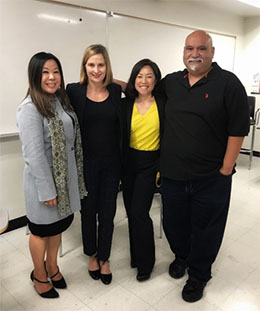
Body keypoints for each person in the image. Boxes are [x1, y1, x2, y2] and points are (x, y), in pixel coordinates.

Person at [159, 30, 249, 302]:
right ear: (183, 52)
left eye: (201, 49)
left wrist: (225, 169)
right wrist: (106, 80)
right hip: (173, 175)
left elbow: (238, 129)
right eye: (189, 48)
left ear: (211, 52)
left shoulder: (229, 84)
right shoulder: (172, 82)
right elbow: (141, 87)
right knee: (174, 224)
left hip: (211, 178)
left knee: (206, 228)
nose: (194, 54)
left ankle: (199, 274)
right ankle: (182, 257)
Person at [17, 52, 86, 298]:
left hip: (63, 180)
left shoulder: (60, 100)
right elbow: (33, 155)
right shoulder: (30, 108)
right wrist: (48, 190)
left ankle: (53, 267)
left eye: (56, 71)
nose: (51, 77)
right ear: (35, 76)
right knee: (40, 231)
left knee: (56, 228)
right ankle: (38, 274)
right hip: (43, 184)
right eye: (45, 72)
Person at [66, 44, 122, 285]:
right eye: (91, 65)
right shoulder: (73, 91)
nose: (96, 70)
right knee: (88, 212)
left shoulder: (117, 90)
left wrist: (111, 78)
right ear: (84, 66)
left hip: (112, 164)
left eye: (101, 64)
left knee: (108, 213)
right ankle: (92, 254)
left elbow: (138, 88)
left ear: (107, 66)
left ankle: (105, 257)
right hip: (85, 164)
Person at [121, 59, 164, 282]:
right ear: (133, 79)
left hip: (151, 164)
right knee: (131, 212)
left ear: (156, 79)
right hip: (129, 163)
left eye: (149, 76)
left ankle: (146, 263)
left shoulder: (163, 103)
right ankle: (136, 256)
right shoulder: (126, 103)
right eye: (139, 76)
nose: (144, 81)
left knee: (139, 212)